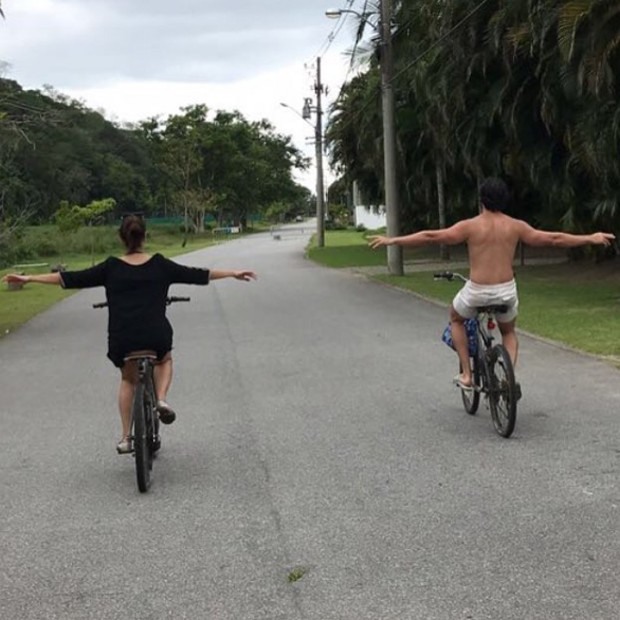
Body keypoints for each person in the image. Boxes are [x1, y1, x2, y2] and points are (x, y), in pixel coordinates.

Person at [3, 215, 257, 453]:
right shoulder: (160, 265)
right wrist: (233, 273)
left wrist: (28, 279)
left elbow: (67, 278)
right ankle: (162, 399)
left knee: (128, 380)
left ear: (121, 239)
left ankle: (126, 437)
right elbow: (198, 275)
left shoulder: (110, 268)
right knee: (165, 359)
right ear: (145, 237)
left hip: (123, 338)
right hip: (155, 335)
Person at [368, 177, 615, 390]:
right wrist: (590, 237)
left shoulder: (470, 226)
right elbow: (554, 238)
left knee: (456, 318)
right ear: (505, 200)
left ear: (482, 200)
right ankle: (509, 376)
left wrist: (392, 241)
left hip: (476, 291)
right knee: (508, 332)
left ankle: (467, 374)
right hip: (506, 292)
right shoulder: (516, 226)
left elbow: (430, 236)